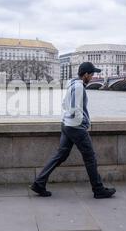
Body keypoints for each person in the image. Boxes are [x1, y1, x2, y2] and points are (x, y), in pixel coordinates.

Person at [30, 62, 116, 199]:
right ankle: (98, 189)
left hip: (67, 125)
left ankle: (39, 183)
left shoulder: (71, 84)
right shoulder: (79, 87)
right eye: (92, 74)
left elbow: (64, 104)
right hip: (76, 127)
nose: (93, 77)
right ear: (86, 75)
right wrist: (82, 123)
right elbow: (76, 108)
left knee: (60, 156)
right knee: (90, 158)